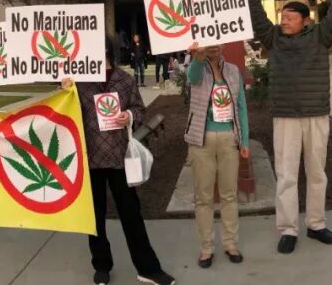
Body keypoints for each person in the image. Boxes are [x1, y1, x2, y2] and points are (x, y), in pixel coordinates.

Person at [246, 0, 332, 254]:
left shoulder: (320, 36)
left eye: (290, 17)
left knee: (317, 173)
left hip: (317, 114)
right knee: (287, 175)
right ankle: (288, 229)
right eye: (282, 17)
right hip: (285, 117)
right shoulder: (273, 38)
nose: (284, 21)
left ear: (306, 20)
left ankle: (316, 224)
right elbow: (257, 17)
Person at [61, 38, 175, 285]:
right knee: (95, 217)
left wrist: (129, 115)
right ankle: (101, 265)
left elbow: (139, 108)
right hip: (90, 158)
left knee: (131, 213)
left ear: (106, 50)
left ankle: (148, 268)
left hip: (119, 157)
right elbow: (66, 112)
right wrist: (65, 90)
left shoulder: (125, 80)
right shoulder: (80, 81)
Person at [184, 41, 250, 268]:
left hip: (228, 138)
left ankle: (230, 243)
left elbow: (241, 106)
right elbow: (192, 79)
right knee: (203, 197)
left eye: (217, 42)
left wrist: (244, 140)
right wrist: (198, 56)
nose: (214, 46)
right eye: (209, 43)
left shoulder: (232, 70)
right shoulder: (197, 66)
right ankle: (206, 247)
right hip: (201, 139)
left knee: (229, 195)